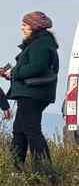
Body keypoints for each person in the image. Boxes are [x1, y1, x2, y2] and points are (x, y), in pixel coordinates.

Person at [2, 12, 60, 171]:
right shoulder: (40, 43)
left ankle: (45, 171)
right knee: (19, 131)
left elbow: (37, 67)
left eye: (25, 25)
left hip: (32, 95)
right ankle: (17, 169)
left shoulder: (40, 44)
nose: (22, 28)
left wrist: (14, 73)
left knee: (31, 130)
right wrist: (12, 74)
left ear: (34, 26)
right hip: (31, 93)